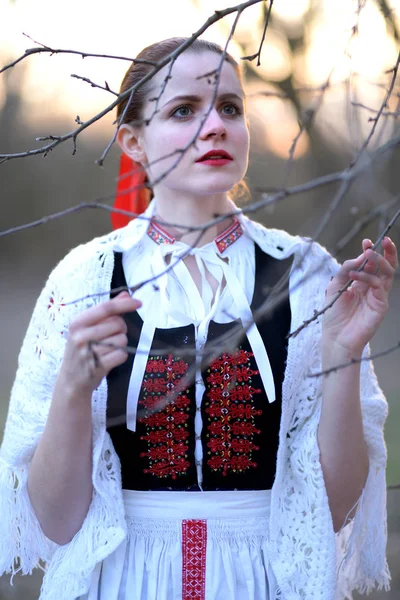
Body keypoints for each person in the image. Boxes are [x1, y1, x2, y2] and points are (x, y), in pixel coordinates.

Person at [0, 37, 397, 600]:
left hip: (265, 578)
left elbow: (330, 510)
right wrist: (70, 387)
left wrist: (343, 354)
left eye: (230, 108)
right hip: (124, 579)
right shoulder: (84, 280)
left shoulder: (306, 274)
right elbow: (56, 522)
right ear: (133, 142)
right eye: (184, 110)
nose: (215, 126)